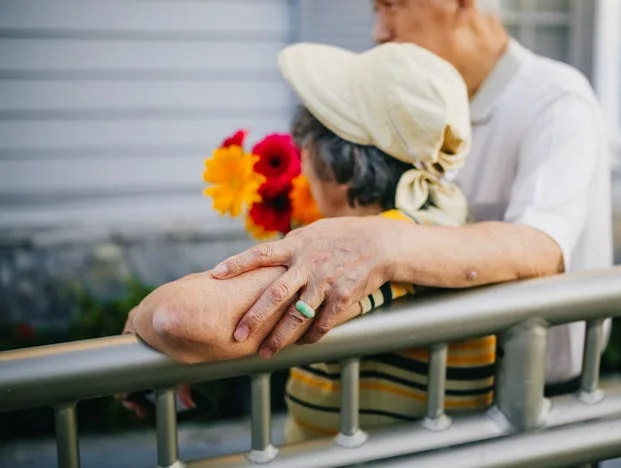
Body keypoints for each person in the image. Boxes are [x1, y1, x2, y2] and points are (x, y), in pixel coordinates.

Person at [210, 0, 614, 391]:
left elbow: (540, 246)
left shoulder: (556, 101)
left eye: (392, 5)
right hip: (444, 389)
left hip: (542, 394)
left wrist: (380, 242)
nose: (378, 32)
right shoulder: (414, 100)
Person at [123, 41, 494, 442]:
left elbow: (178, 319)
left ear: (340, 163)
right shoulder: (441, 219)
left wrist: (139, 318)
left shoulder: (371, 247)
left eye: (309, 141)